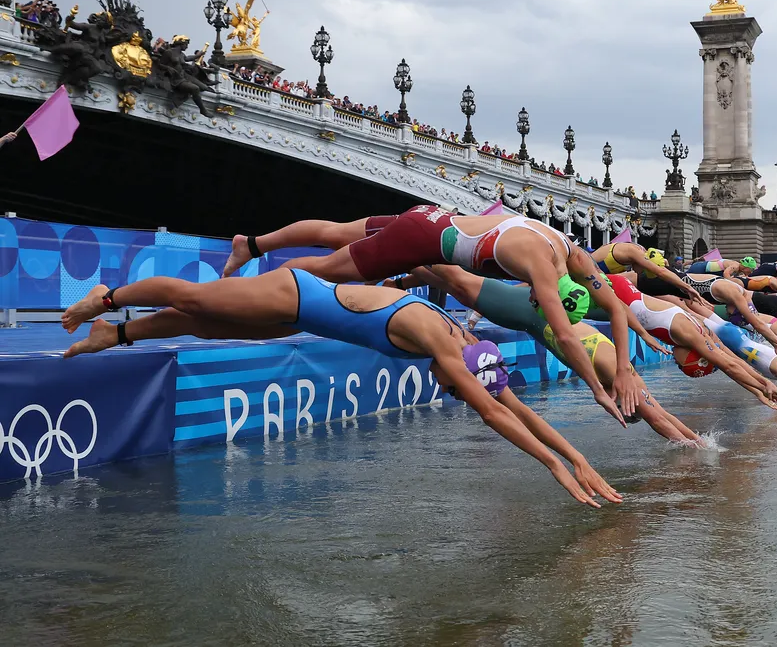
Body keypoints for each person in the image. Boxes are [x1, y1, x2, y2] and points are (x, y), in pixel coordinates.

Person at [62, 274, 621, 508]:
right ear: (463, 372)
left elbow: (512, 406)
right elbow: (498, 418)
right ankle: (106, 299)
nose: (449, 394)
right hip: (297, 294)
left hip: (301, 317)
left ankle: (115, 334)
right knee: (197, 301)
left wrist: (577, 458)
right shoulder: (446, 344)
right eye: (456, 392)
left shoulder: (467, 346)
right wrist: (553, 467)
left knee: (207, 326)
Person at [220, 206, 646, 425]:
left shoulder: (567, 249)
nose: (536, 298)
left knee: (334, 232)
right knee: (326, 270)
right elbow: (568, 338)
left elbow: (613, 305)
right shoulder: (543, 270)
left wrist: (624, 368)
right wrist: (599, 391)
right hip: (420, 240)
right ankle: (265, 286)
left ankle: (253, 244)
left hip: (428, 215)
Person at [390, 266, 703, 442]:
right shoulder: (619, 378)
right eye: (623, 408)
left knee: (459, 283)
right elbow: (657, 419)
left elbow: (662, 415)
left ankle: (401, 274)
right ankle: (403, 257)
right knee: (459, 282)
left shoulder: (626, 379)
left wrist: (699, 442)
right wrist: (692, 451)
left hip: (531, 315)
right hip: (528, 314)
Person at [601, 274, 777, 408]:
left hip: (623, 290)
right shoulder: (688, 334)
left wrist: (757, 389)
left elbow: (732, 361)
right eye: (682, 366)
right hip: (615, 288)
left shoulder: (702, 331)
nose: (677, 364)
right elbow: (728, 366)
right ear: (692, 355)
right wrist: (764, 385)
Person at [588, 241, 705, 303]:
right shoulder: (634, 252)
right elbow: (660, 271)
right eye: (644, 270)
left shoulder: (630, 253)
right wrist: (688, 288)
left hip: (591, 279)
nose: (640, 273)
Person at [685, 256, 758, 280]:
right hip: (699, 268)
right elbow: (726, 273)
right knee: (683, 279)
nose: (751, 272)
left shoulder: (737, 268)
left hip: (701, 267)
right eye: (751, 269)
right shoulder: (735, 266)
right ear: (746, 267)